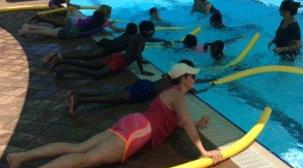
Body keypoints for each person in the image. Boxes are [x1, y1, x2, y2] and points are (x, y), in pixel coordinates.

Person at [7, 61, 223, 168]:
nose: (195, 78)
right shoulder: (177, 96)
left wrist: (195, 123)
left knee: (78, 148)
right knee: (86, 159)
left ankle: (20, 157)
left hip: (132, 121)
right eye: (192, 75)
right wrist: (203, 152)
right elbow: (183, 122)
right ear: (183, 78)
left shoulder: (168, 92)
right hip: (138, 130)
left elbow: (171, 121)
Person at [65, 59, 216, 116]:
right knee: (111, 99)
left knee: (112, 93)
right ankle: (79, 100)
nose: (193, 79)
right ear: (185, 75)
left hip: (145, 84)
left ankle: (77, 92)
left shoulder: (170, 75)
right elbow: (194, 88)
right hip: (145, 91)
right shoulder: (177, 83)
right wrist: (210, 85)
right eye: (192, 76)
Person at [51, 20, 155, 80]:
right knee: (97, 74)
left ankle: (62, 62)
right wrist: (142, 71)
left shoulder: (136, 36)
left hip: (116, 56)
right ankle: (65, 68)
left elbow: (138, 49)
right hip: (119, 61)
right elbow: (137, 55)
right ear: (149, 32)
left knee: (90, 64)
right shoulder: (141, 40)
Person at [43, 23, 138, 64]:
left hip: (105, 42)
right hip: (107, 47)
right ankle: (58, 57)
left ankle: (57, 55)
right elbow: (134, 53)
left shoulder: (126, 34)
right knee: (86, 56)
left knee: (84, 52)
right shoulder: (132, 38)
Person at [19, 5, 123, 39]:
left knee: (50, 30)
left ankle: (28, 26)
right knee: (49, 33)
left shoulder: (94, 16)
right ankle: (26, 31)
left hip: (73, 23)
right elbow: (117, 30)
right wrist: (128, 28)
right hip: (73, 31)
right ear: (107, 13)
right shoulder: (105, 22)